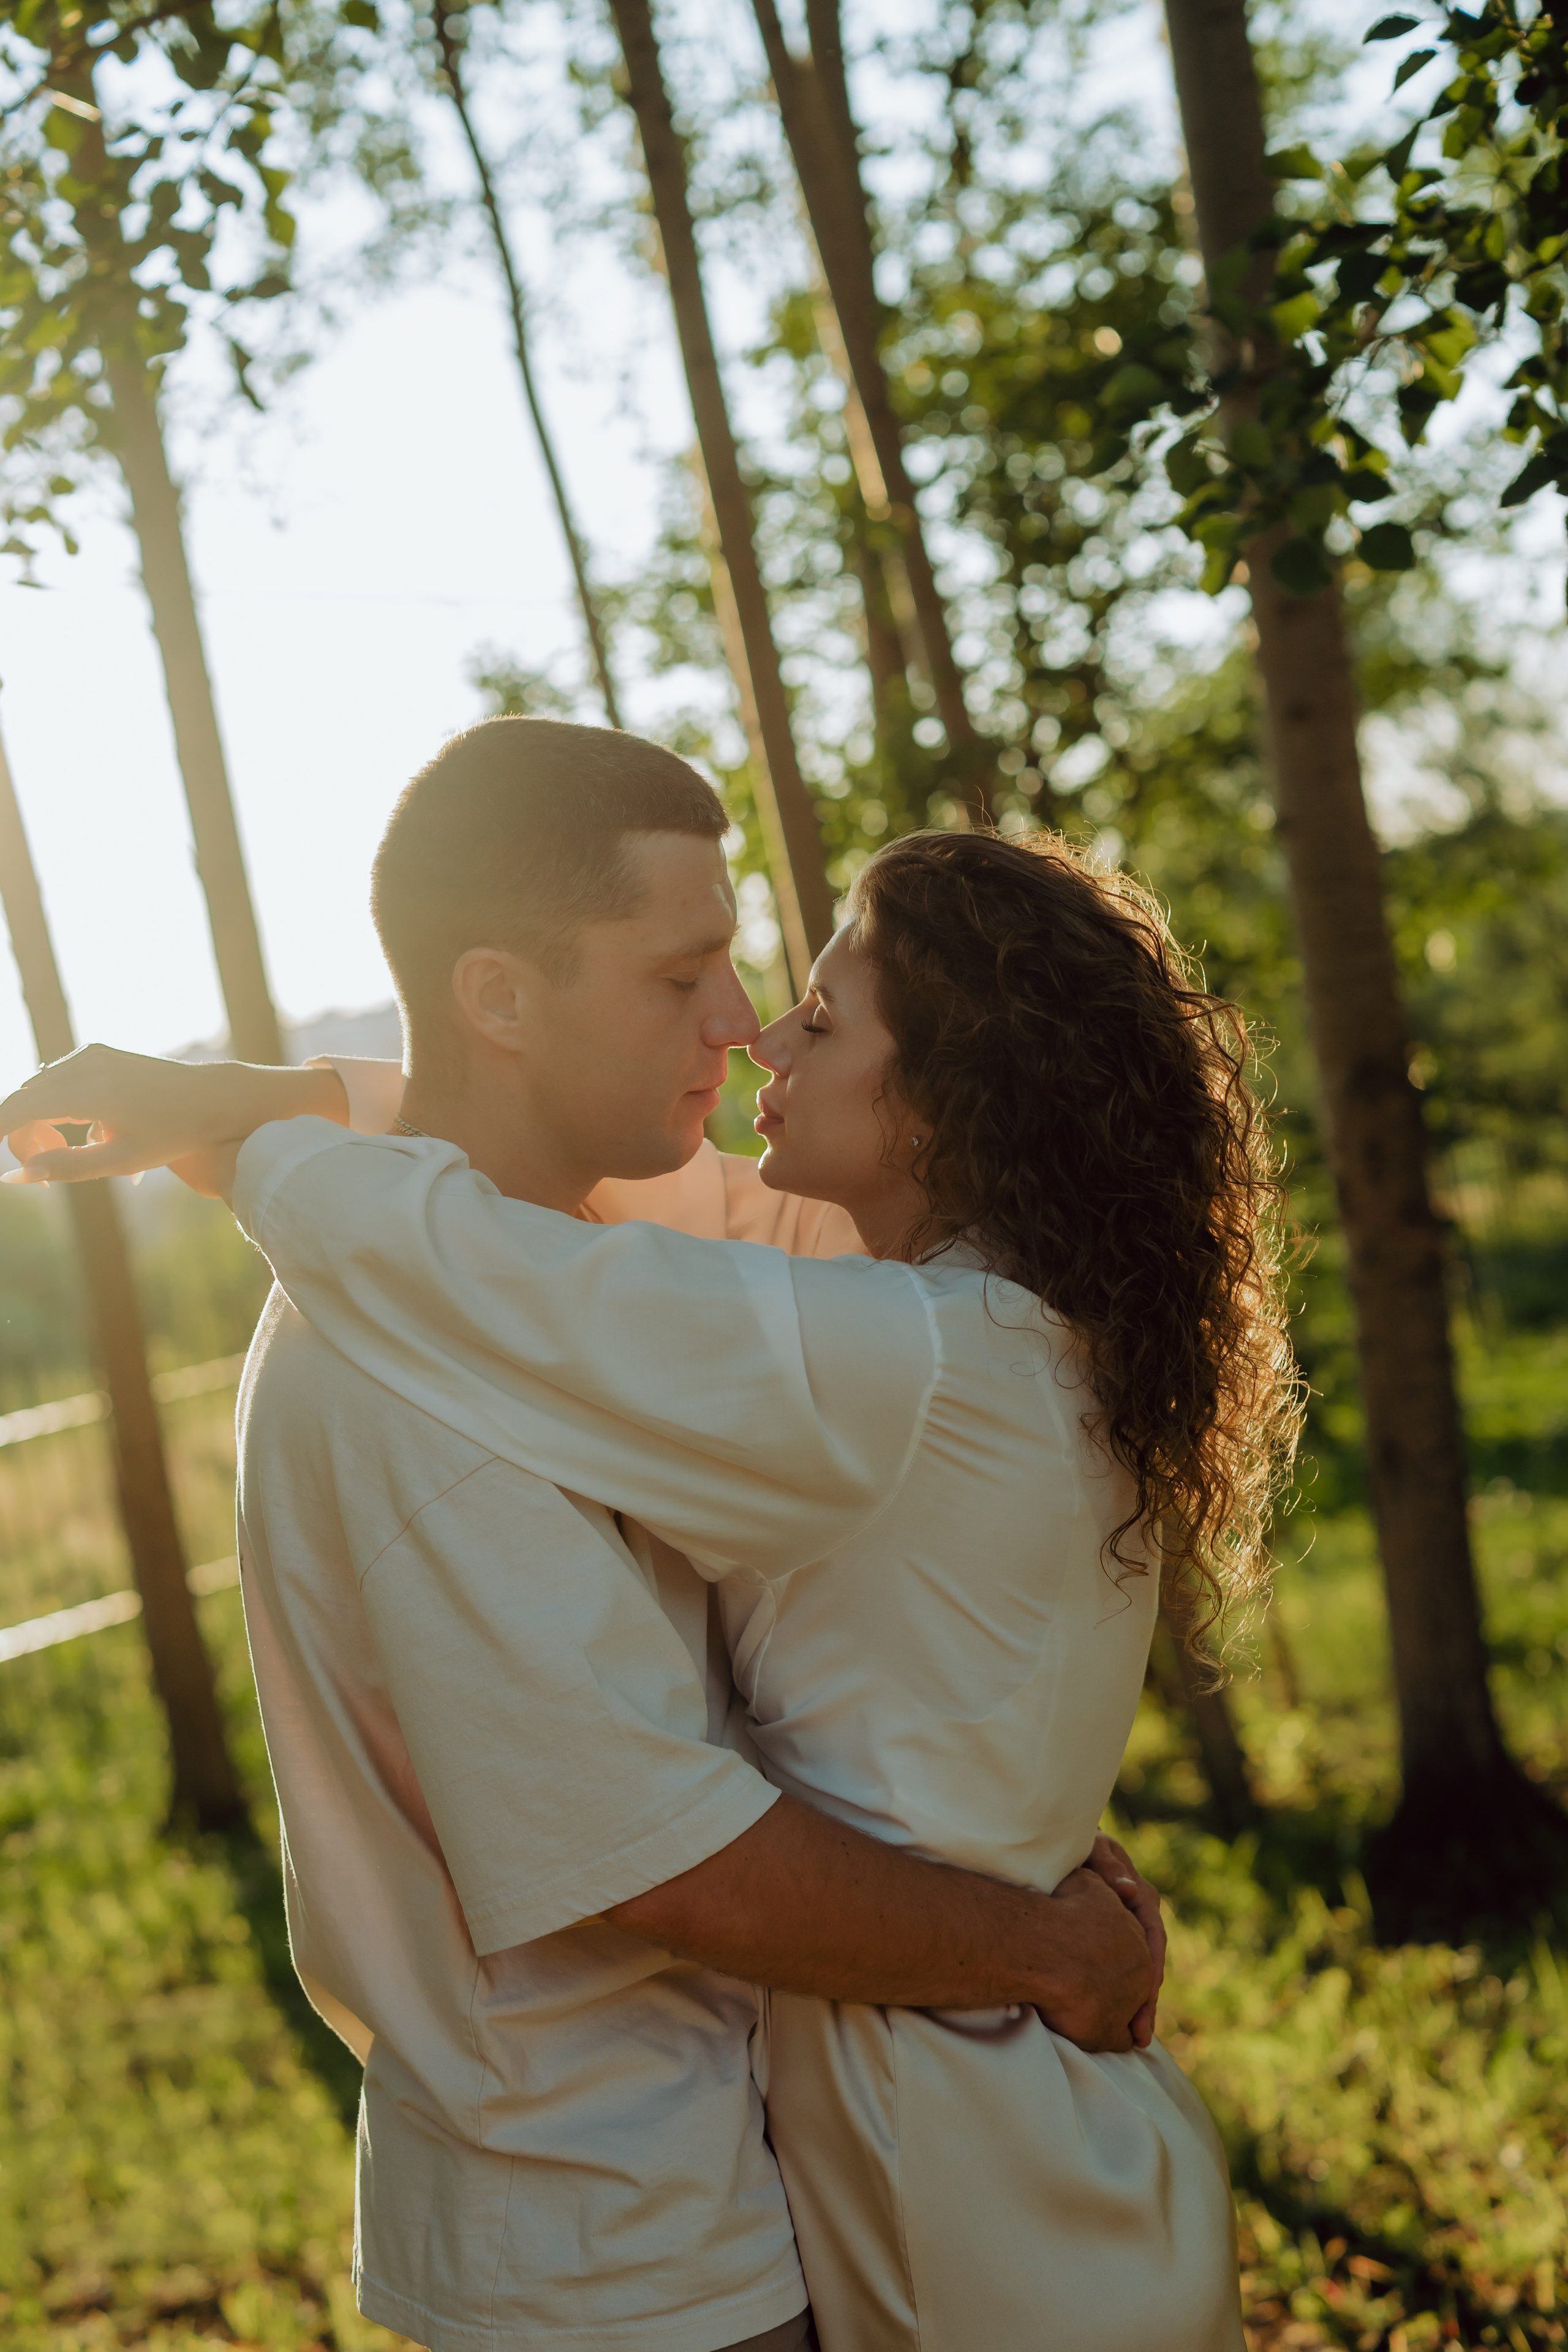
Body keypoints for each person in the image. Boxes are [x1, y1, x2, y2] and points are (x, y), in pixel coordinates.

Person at [0, 720, 1172, 2352]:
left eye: (788, 997)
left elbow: (517, 1230)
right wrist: (1040, 1944)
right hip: (608, 2248)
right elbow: (655, 1856)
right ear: (498, 995)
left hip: (744, 2185)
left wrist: (246, 1115)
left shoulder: (628, 1286)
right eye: (680, 975)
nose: (746, 1025)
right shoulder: (416, 1364)